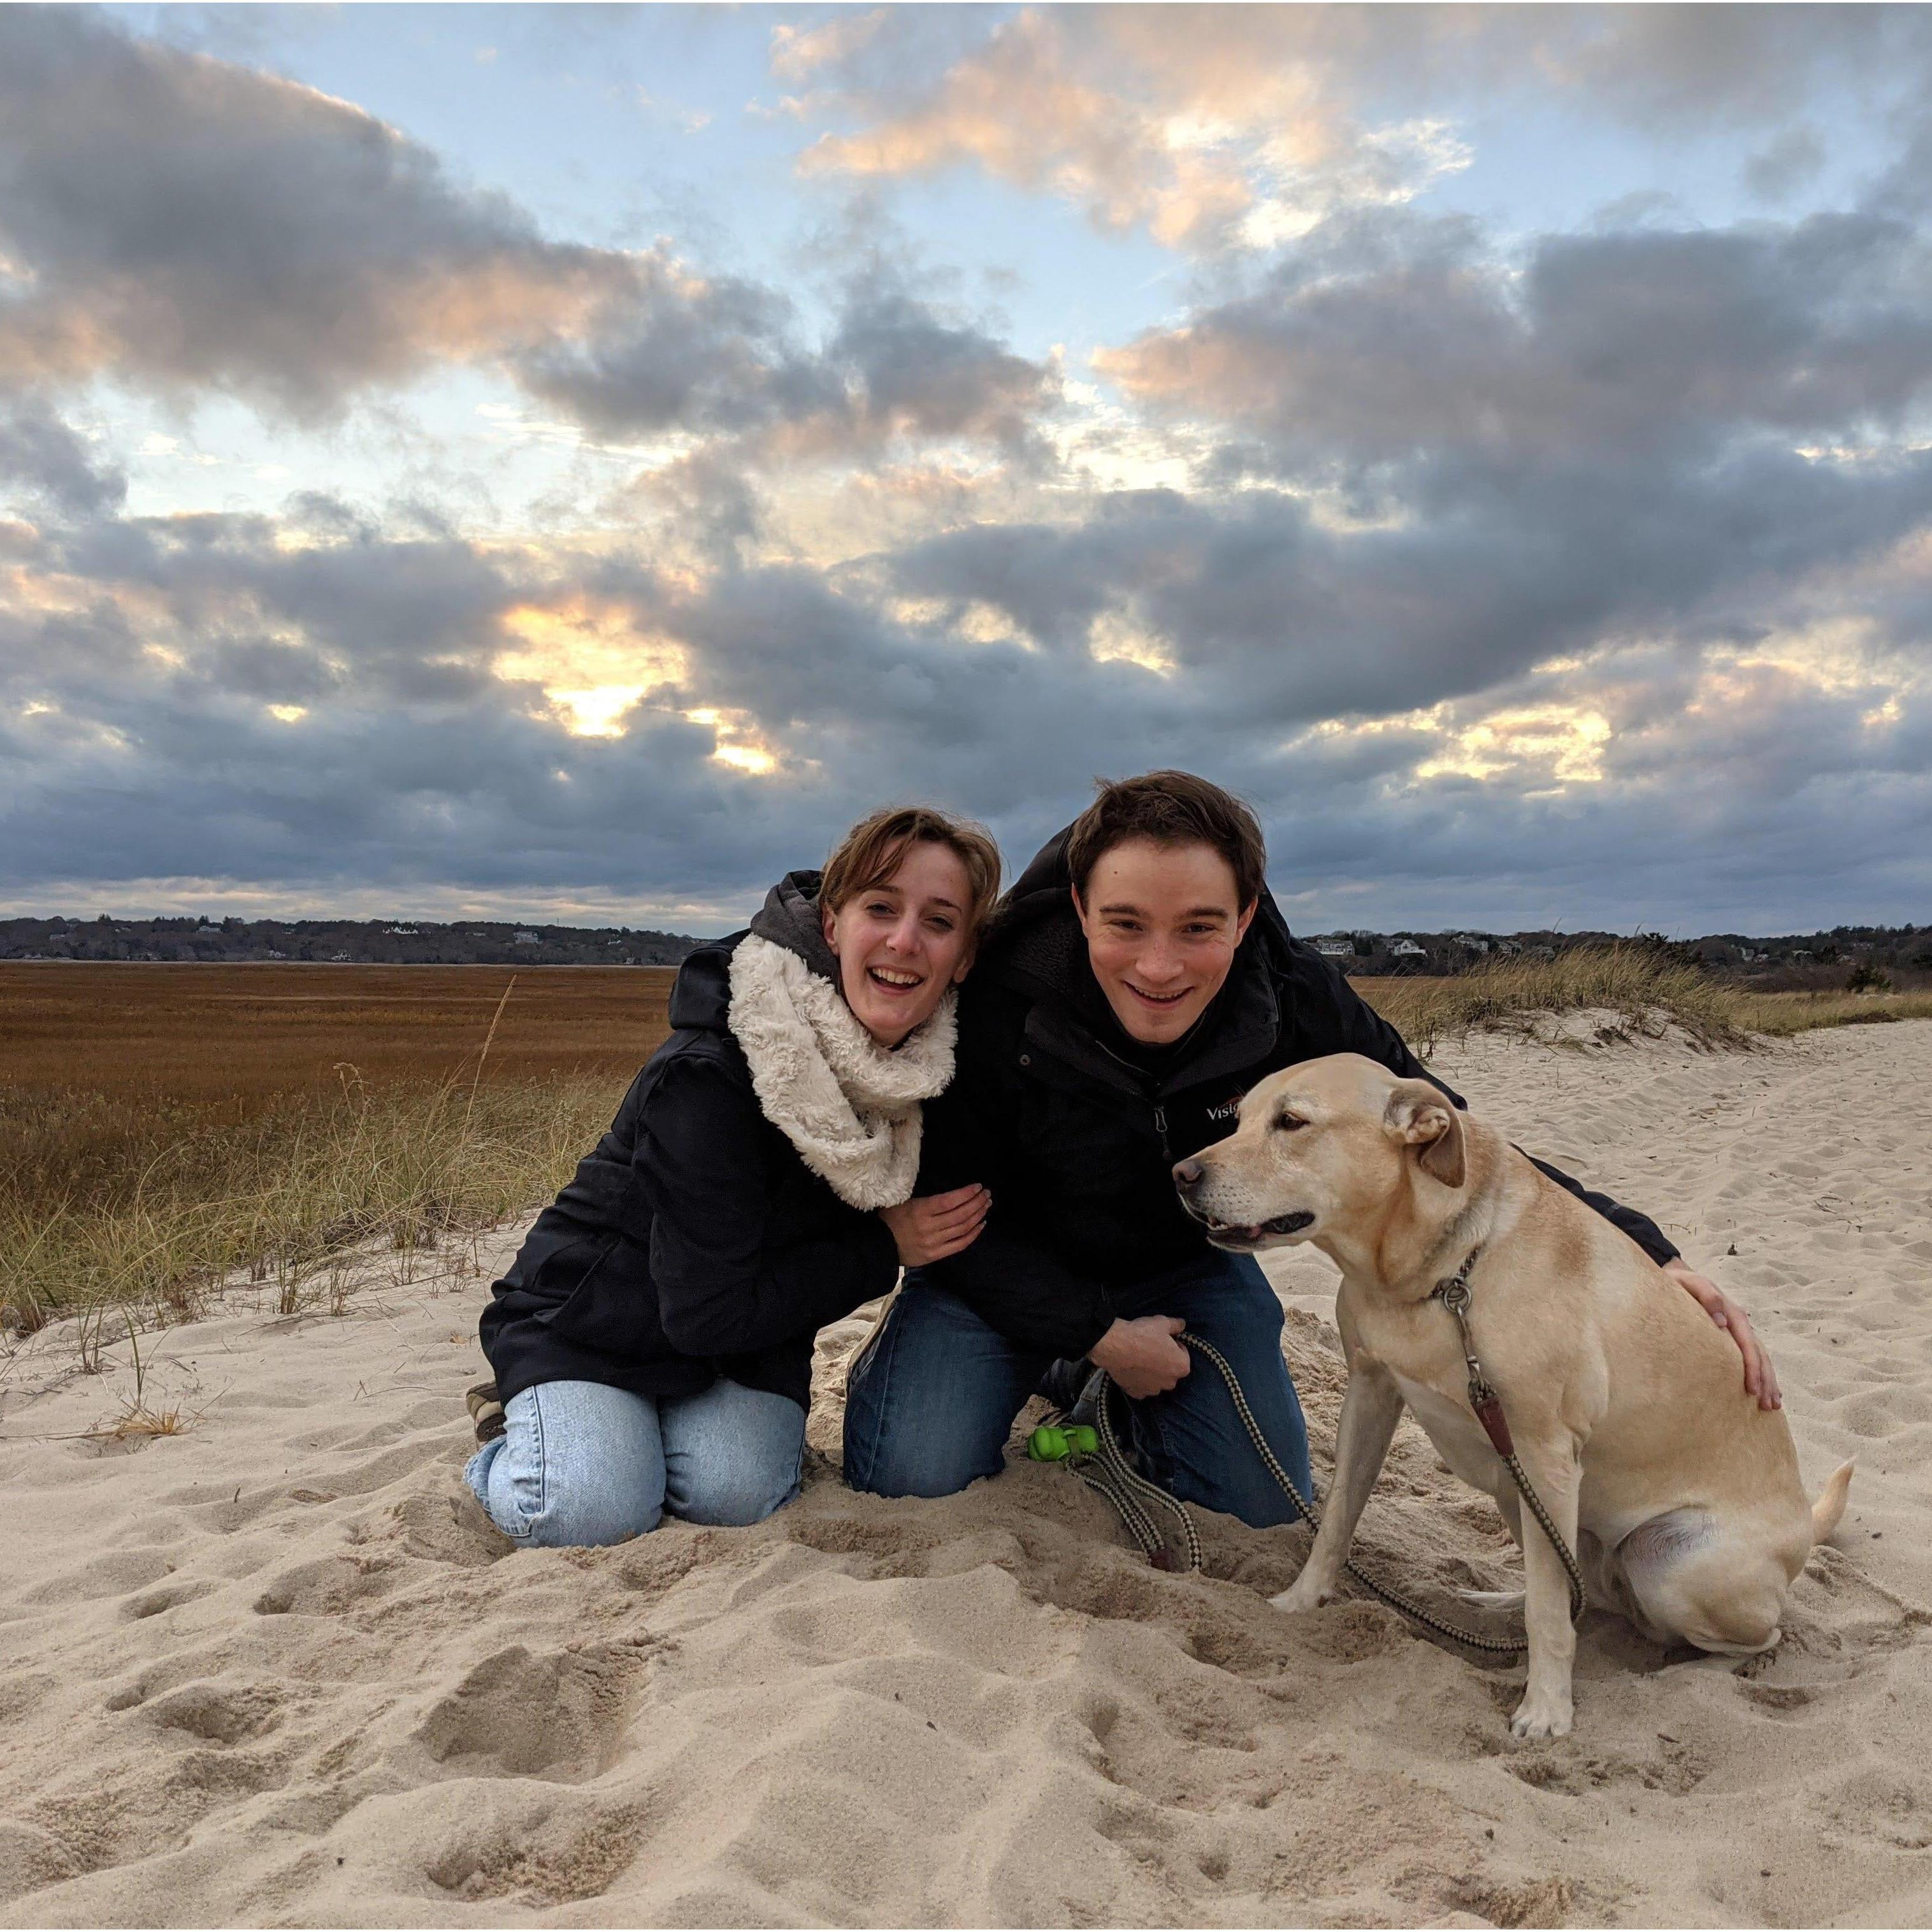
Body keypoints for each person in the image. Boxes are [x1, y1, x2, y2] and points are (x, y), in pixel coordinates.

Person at [844, 770, 1778, 1529]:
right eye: (1126, 925)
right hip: (1004, 1268)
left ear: (1245, 917)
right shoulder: (999, 994)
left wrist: (1653, 1251)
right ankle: (1071, 1368)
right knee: (907, 1475)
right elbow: (948, 1217)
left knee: (1261, 1507)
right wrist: (1098, 1336)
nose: (1160, 966)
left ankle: (1108, 1401)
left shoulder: (1292, 996)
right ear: (1083, 908)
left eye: (1199, 927)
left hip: (1188, 1267)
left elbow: (1458, 1138)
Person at [465, 805, 1001, 1547]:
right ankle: (517, 1424)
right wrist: (884, 1248)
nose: (904, 940)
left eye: (938, 921)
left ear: (964, 956)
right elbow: (705, 1312)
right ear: (833, 923)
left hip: (746, 1334)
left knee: (736, 1495)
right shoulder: (711, 1072)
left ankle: (624, 1433)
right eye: (880, 907)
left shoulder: (927, 1069)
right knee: (587, 1509)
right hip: (598, 1322)